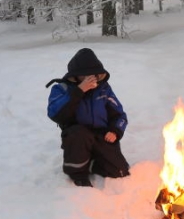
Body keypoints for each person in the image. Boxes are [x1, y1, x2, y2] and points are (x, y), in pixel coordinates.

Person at [46, 48, 130, 187]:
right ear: (76, 75)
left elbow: (120, 115)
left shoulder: (103, 89)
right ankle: (77, 172)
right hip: (77, 136)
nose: (90, 78)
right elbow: (55, 113)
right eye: (85, 75)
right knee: (79, 134)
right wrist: (79, 91)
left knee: (120, 172)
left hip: (101, 135)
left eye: (93, 75)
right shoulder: (62, 88)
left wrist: (115, 130)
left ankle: (92, 162)